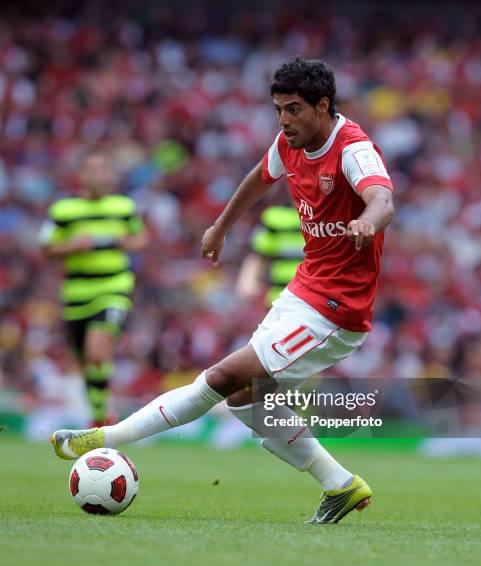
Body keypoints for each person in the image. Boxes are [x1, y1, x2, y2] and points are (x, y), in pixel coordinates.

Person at [51, 57, 394, 524]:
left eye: (293, 109)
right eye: (278, 109)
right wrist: (220, 226)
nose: (284, 120)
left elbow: (382, 198)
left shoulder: (352, 149)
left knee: (221, 378)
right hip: (305, 289)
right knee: (242, 400)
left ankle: (106, 436)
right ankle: (340, 486)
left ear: (322, 105)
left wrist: (365, 222)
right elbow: (259, 177)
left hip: (337, 308)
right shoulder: (288, 143)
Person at [40, 149, 148, 426]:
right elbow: (47, 248)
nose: (100, 175)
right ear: (82, 175)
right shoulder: (64, 210)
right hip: (76, 293)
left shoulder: (123, 206)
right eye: (93, 170)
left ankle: (102, 418)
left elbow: (140, 240)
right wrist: (73, 245)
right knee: (87, 361)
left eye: (104, 170)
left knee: (97, 351)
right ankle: (100, 415)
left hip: (113, 287)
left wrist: (114, 242)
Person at [236, 204, 304, 306]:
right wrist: (248, 280)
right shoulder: (275, 217)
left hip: (316, 299)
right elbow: (258, 254)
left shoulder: (329, 218)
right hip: (279, 297)